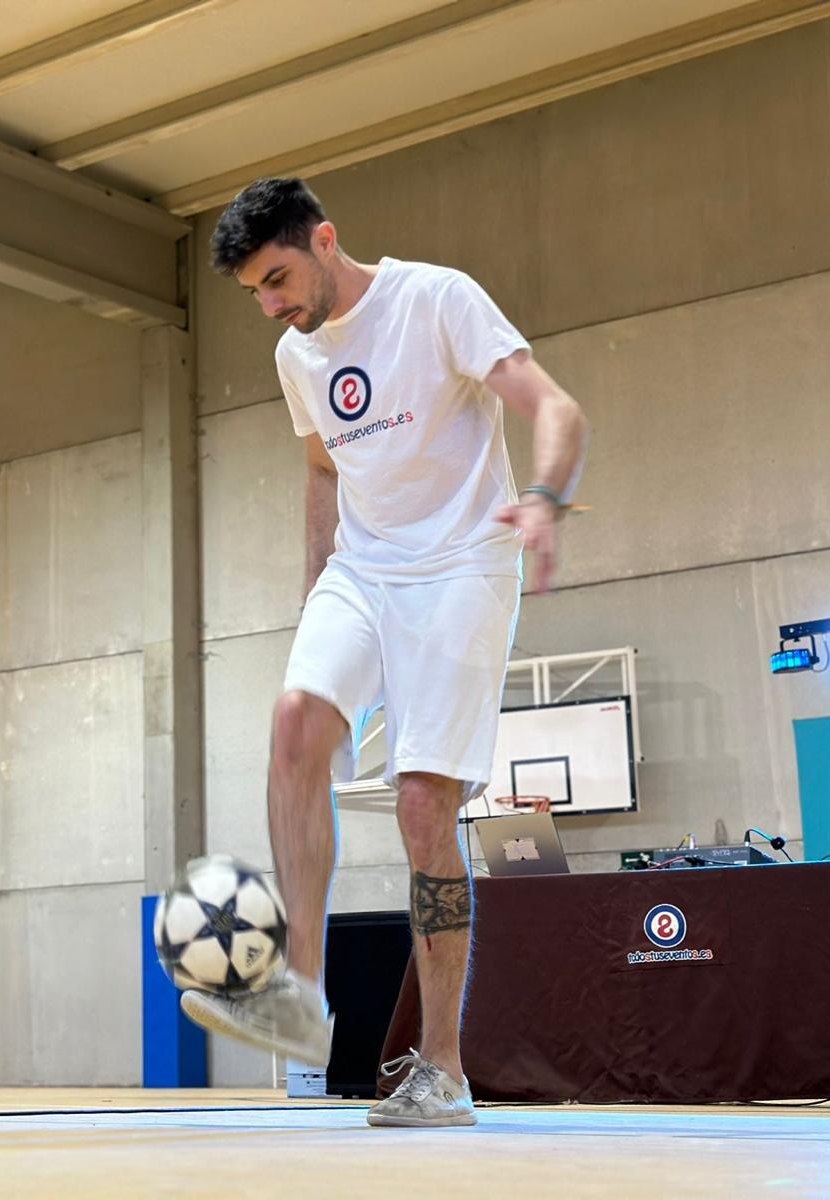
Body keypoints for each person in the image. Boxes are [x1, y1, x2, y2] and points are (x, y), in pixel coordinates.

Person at [185, 178, 588, 1127]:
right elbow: (326, 464)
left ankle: (442, 1068)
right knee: (295, 722)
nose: (273, 306)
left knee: (420, 809)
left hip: (462, 566)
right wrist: (319, 586)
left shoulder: (436, 298)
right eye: (256, 294)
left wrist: (546, 498)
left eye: (279, 278)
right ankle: (303, 991)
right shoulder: (297, 354)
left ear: (325, 241)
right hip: (363, 572)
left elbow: (555, 406)